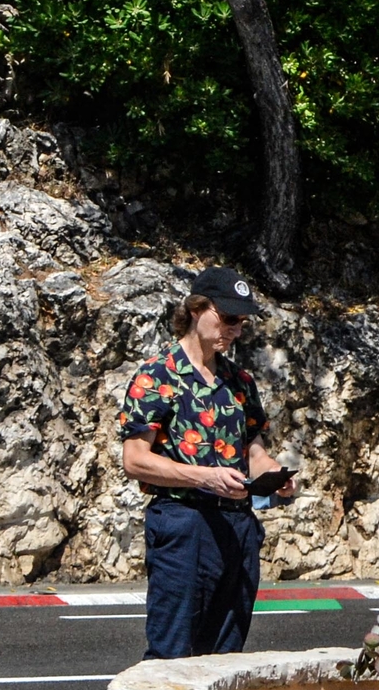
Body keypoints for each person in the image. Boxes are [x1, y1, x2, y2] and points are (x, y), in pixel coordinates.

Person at [116, 266, 299, 659]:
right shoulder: (156, 376)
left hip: (237, 527)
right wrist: (204, 477)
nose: (234, 330)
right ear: (198, 309)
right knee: (171, 654)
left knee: (225, 658)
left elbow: (253, 451)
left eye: (242, 322)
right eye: (228, 318)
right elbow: (135, 460)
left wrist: (274, 475)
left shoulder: (239, 381)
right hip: (184, 523)